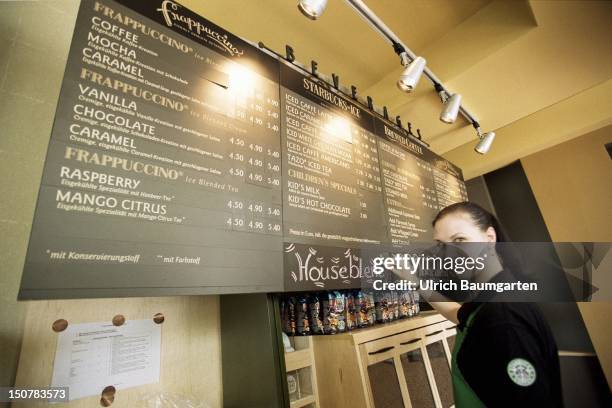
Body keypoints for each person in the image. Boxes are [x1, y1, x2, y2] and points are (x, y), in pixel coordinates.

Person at [426, 201, 563, 408]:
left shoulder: (503, 316)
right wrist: (414, 281)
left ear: (489, 238)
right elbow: (460, 315)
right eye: (441, 245)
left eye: (460, 239)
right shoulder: (491, 297)